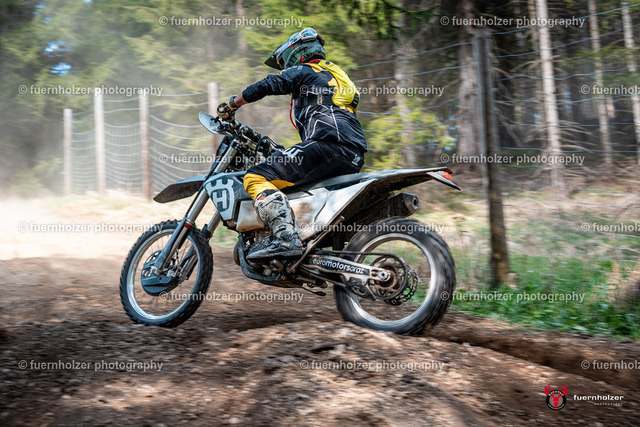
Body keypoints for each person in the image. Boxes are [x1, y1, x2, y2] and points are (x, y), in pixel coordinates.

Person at [217, 28, 366, 260]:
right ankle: (310, 246)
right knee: (298, 186)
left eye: (284, 62)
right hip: (352, 153)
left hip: (329, 145)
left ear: (296, 52)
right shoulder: (336, 74)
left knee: (255, 177)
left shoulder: (308, 69)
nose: (284, 67)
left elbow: (269, 84)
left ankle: (285, 238)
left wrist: (232, 104)